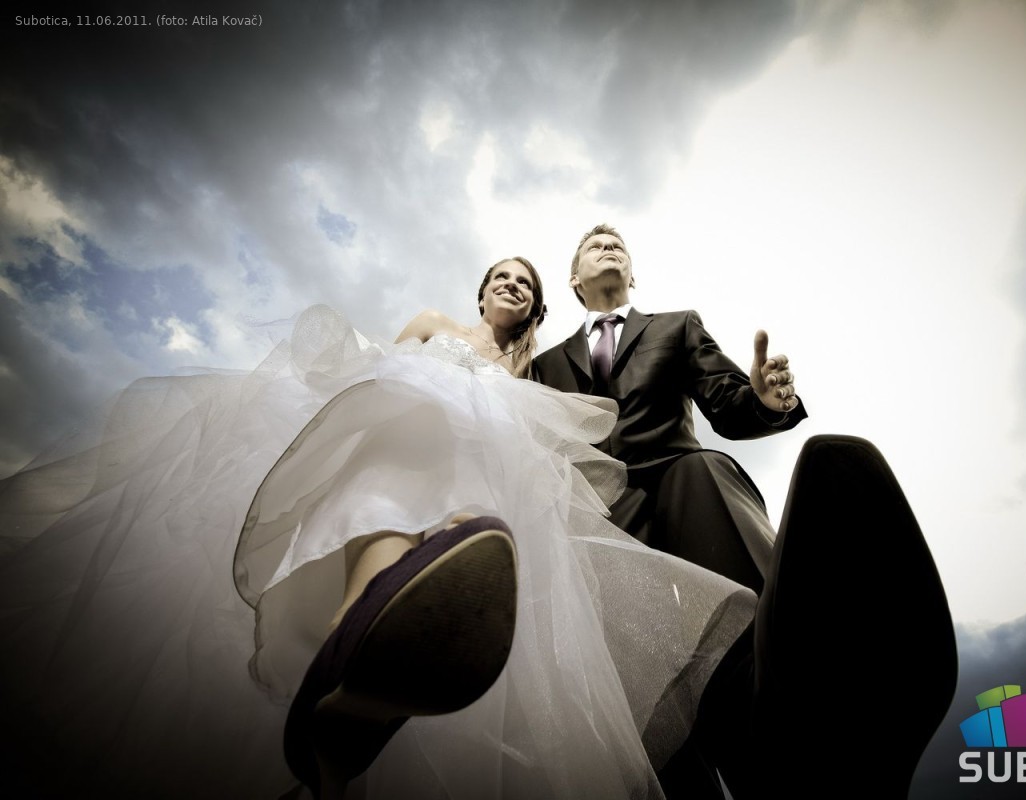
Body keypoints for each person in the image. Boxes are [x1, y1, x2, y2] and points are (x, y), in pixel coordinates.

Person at [0, 258, 758, 799]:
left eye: (524, 284)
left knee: (481, 510)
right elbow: (375, 375)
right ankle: (359, 633)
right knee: (404, 440)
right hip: (405, 419)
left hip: (482, 462)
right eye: (502, 276)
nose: (511, 285)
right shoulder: (434, 326)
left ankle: (366, 672)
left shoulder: (529, 378)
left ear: (535, 308)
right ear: (481, 289)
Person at [534, 225, 959, 797]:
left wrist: (760, 399)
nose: (609, 245)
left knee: (704, 470)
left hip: (683, 483)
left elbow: (728, 403)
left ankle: (789, 675)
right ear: (573, 279)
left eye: (619, 245)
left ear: (633, 274)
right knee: (632, 668)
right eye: (594, 244)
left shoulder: (675, 326)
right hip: (601, 510)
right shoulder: (546, 366)